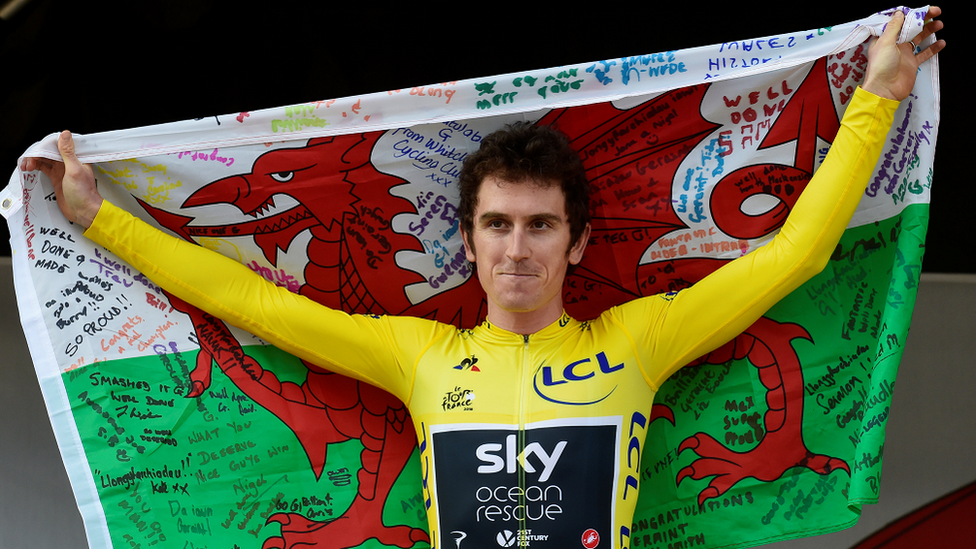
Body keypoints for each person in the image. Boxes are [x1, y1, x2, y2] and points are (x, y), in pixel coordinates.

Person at [21, 8, 944, 548]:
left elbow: (794, 256)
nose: (516, 249)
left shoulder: (639, 340)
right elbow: (254, 302)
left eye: (540, 226)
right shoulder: (419, 355)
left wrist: (877, 97)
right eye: (497, 225)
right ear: (467, 240)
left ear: (577, 243)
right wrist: (102, 220)